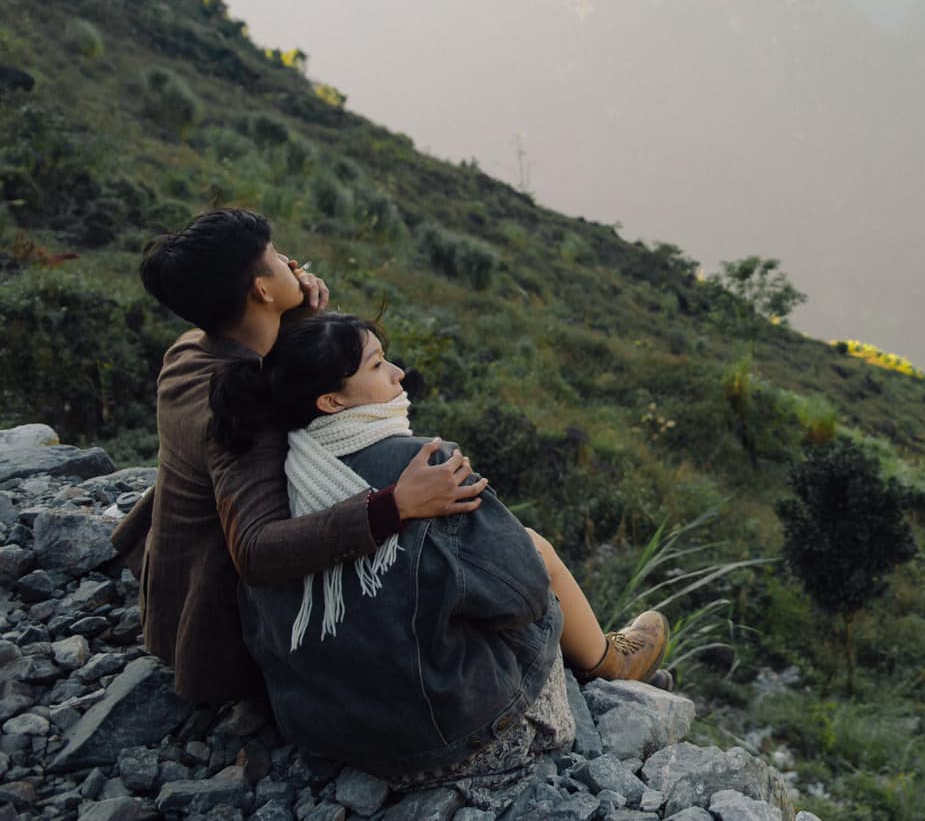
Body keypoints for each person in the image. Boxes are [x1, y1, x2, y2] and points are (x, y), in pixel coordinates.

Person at [213, 312, 663, 785]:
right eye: (377, 364)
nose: (398, 373)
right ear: (331, 400)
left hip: (326, 731)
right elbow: (525, 594)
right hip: (449, 738)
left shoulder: (275, 483)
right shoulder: (428, 467)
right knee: (533, 553)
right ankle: (607, 660)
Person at [113, 207, 487, 703]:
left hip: (169, 598)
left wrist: (297, 312)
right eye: (278, 258)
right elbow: (255, 549)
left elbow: (271, 353)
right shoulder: (240, 412)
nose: (293, 264)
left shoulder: (190, 351)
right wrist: (394, 506)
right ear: (260, 289)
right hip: (220, 635)